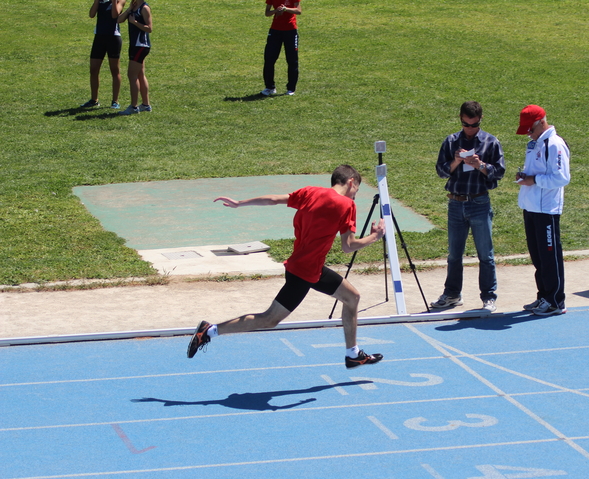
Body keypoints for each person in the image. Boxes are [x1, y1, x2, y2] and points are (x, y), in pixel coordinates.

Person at [186, 165, 387, 369]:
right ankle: (209, 331)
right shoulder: (346, 205)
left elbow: (273, 199)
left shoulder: (310, 192)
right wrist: (375, 237)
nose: (355, 197)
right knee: (269, 319)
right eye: (357, 191)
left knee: (352, 297)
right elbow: (348, 246)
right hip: (304, 273)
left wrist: (240, 203)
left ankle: (353, 354)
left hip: (310, 268)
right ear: (351, 182)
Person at [431, 101, 505, 312]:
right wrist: (455, 162)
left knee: (485, 254)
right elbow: (441, 171)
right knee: (454, 254)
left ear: (480, 121)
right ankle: (453, 294)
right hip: (456, 203)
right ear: (461, 119)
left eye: (473, 125)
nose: (469, 129)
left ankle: (489, 296)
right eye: (465, 124)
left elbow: (499, 171)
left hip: (479, 202)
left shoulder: (491, 142)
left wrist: (480, 165)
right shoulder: (451, 141)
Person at [515, 105, 571, 316]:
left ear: (541, 123)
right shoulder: (536, 143)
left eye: (529, 129)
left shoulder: (554, 144)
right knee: (538, 257)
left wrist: (533, 180)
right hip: (531, 206)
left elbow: (562, 178)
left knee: (550, 258)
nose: (527, 134)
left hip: (547, 209)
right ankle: (543, 296)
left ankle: (556, 301)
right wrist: (524, 176)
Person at [81, 0, 125, 110]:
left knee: (115, 70)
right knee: (94, 69)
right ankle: (94, 100)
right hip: (99, 37)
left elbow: (115, 15)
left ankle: (115, 101)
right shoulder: (101, 1)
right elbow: (91, 15)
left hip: (113, 38)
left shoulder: (121, 0)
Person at [117, 0, 152, 115]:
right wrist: (128, 10)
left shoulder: (144, 8)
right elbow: (119, 20)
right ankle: (146, 105)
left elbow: (149, 28)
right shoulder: (134, 6)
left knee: (132, 75)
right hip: (135, 45)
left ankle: (134, 106)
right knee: (140, 74)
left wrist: (135, 22)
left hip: (141, 46)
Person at [260, 0, 301, 96]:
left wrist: (285, 9)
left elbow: (298, 11)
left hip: (290, 30)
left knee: (292, 60)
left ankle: (291, 89)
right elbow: (267, 13)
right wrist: (276, 11)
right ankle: (270, 87)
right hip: (275, 31)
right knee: (269, 59)